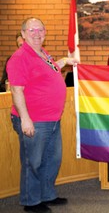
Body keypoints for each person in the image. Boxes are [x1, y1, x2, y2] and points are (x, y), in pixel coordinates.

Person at [7, 17, 78, 213]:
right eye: (32, 30)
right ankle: (31, 201)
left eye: (40, 30)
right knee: (33, 162)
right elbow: (16, 90)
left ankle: (47, 195)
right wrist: (25, 119)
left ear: (45, 32)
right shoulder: (20, 57)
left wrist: (65, 61)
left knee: (51, 159)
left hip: (52, 120)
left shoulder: (41, 53)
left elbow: (52, 68)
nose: (37, 34)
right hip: (34, 120)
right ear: (23, 34)